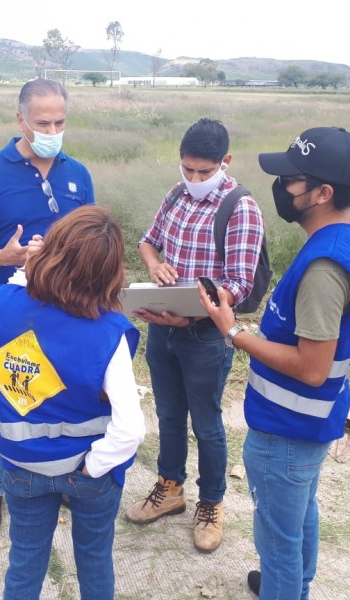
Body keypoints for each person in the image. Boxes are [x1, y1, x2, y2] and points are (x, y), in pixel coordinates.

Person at [198, 127, 350, 598]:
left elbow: (312, 368)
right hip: (310, 421)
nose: (281, 187)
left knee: (277, 539)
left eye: (291, 179)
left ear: (323, 192)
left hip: (288, 429)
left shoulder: (324, 267)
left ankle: (285, 586)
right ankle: (297, 586)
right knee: (299, 515)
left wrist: (233, 331)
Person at [0, 205, 145, 600]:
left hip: (20, 466)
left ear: (48, 253)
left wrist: (27, 271)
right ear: (109, 273)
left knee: (25, 560)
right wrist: (94, 466)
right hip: (87, 474)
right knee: (95, 559)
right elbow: (131, 429)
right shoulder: (109, 331)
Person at [0, 78, 95, 537]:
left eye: (59, 122)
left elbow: (91, 234)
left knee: (63, 391)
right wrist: (7, 256)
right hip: (11, 307)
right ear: (20, 120)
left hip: (69, 305)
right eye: (42, 123)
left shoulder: (78, 173)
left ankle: (61, 477)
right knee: (10, 392)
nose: (52, 131)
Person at [125, 118, 265, 553]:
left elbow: (239, 284)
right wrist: (155, 266)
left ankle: (211, 503)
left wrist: (192, 314)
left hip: (204, 336)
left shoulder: (241, 208)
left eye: (205, 171)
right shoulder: (176, 195)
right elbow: (148, 241)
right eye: (188, 169)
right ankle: (170, 488)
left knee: (206, 424)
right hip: (163, 329)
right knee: (168, 415)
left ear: (226, 161)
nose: (195, 178)